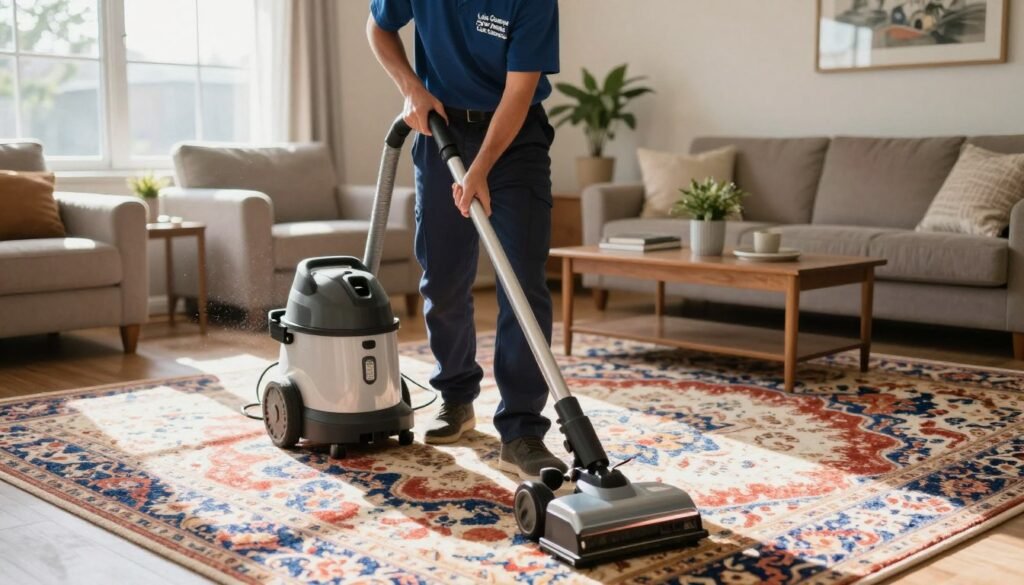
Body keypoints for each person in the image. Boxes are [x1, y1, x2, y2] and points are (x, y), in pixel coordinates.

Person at [367, 0, 567, 479]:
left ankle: (522, 430)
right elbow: (378, 28)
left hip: (515, 139)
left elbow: (519, 94)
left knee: (522, 284)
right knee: (443, 277)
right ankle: (456, 396)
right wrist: (411, 87)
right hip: (441, 130)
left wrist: (479, 170)